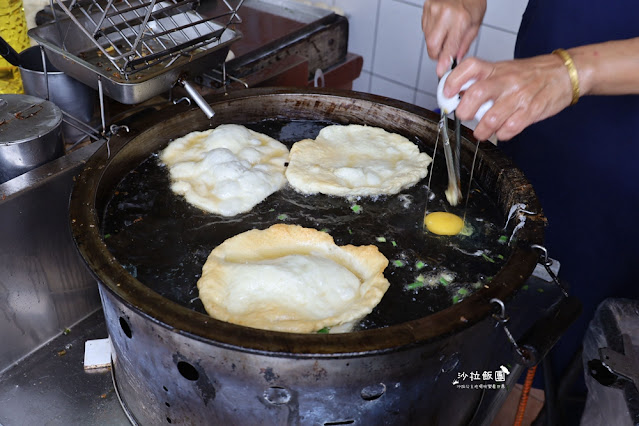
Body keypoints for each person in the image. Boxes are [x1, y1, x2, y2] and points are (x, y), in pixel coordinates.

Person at [422, 0, 639, 419]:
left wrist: (573, 71)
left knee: (576, 329)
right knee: (515, 277)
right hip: (541, 81)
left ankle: (533, 400)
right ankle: (492, 387)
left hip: (623, 140)